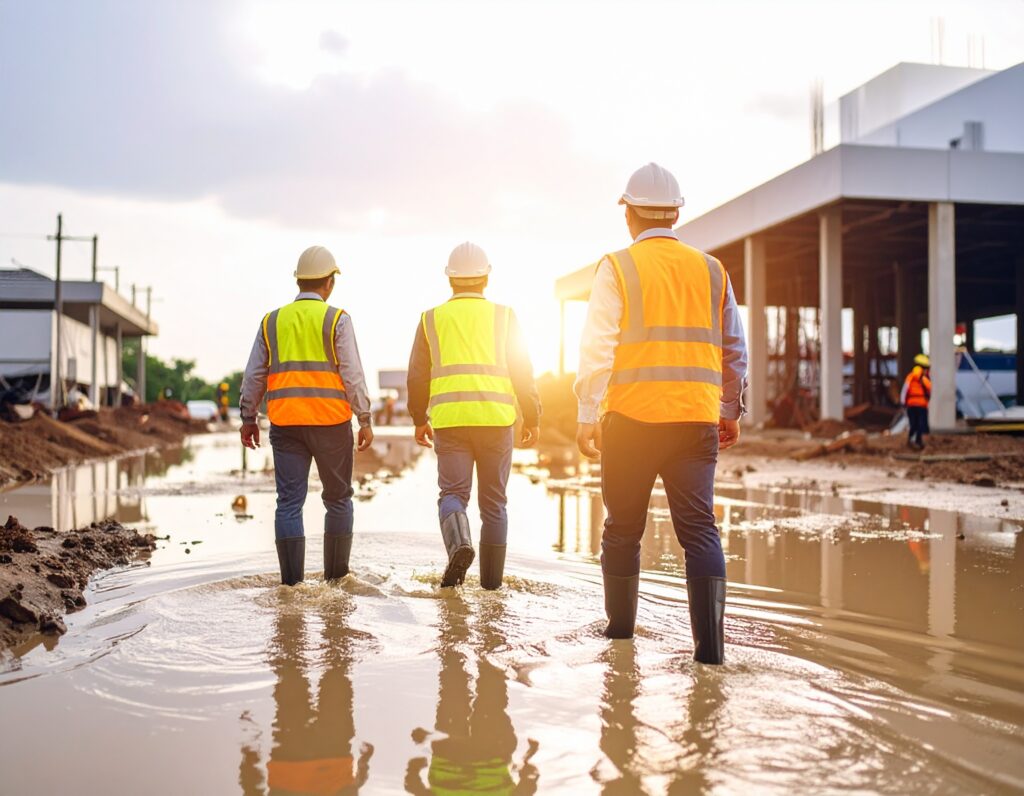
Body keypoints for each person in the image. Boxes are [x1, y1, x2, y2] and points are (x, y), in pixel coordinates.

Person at [574, 163, 748, 665]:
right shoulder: (713, 270)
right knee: (699, 530)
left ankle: (620, 640)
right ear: (675, 213)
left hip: (630, 421)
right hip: (696, 421)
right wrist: (730, 409)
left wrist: (587, 412)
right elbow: (734, 348)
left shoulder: (617, 266)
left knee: (623, 528)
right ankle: (711, 654)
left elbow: (598, 344)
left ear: (628, 213)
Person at [407, 242, 541, 589]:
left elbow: (417, 374)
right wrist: (533, 415)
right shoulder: (505, 315)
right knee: (495, 503)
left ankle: (459, 544)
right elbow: (522, 368)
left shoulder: (431, 318)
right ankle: (492, 586)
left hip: (450, 420)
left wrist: (418, 418)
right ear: (486, 277)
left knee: (453, 494)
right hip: (497, 419)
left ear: (450, 279)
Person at [239, 245, 374, 586]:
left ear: (299, 282)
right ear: (329, 283)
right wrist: (365, 418)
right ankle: (336, 583)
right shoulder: (337, 319)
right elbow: (352, 374)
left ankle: (291, 587)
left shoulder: (272, 321)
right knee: (338, 500)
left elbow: (254, 374)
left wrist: (248, 417)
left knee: (288, 504)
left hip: (286, 425)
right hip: (331, 423)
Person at [901, 353, 931, 450]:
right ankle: (919, 442)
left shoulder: (910, 377)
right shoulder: (924, 379)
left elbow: (904, 390)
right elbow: (930, 390)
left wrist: (903, 403)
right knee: (921, 425)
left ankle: (912, 440)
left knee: (913, 424)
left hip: (911, 405)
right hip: (922, 406)